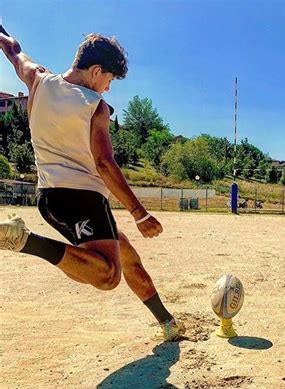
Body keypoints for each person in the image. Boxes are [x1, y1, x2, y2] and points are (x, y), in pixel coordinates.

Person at [0, 28, 185, 341]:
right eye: (109, 79)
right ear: (96, 71)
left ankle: (167, 322)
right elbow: (104, 163)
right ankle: (25, 241)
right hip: (82, 198)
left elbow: (14, 51)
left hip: (49, 200)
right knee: (108, 275)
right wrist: (140, 213)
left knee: (125, 253)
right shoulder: (95, 106)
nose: (108, 88)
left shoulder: (39, 80)